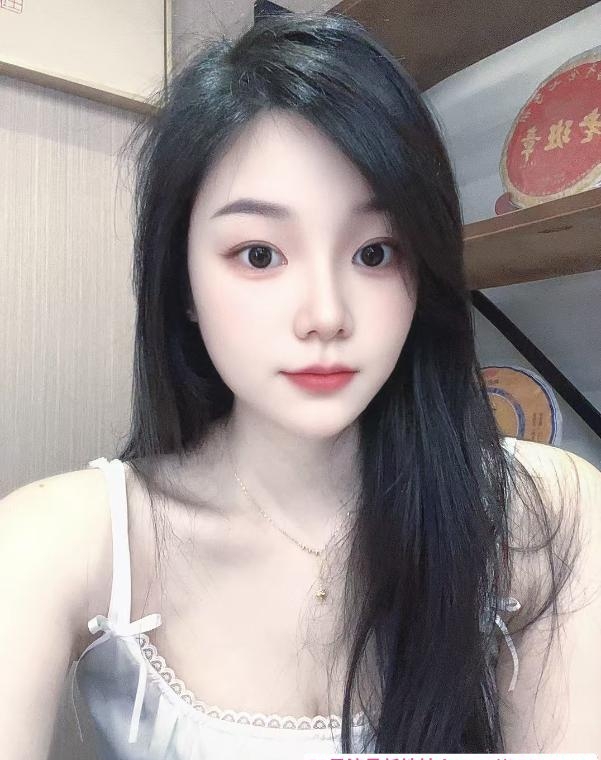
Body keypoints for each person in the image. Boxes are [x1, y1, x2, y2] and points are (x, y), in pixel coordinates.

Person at [1, 10, 600, 760]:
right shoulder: (66, 540)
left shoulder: (546, 515)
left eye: (375, 253)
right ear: (181, 282)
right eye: (259, 255)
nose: (325, 315)